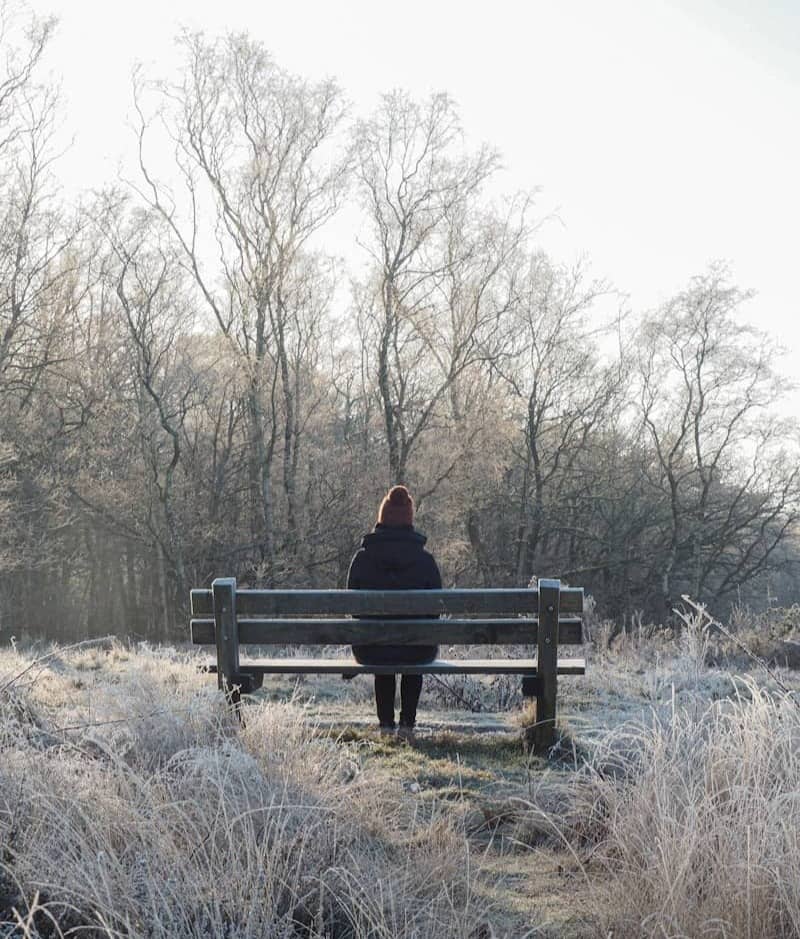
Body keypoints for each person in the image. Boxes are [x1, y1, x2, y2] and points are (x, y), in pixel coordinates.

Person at [347, 485, 441, 736]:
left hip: (371, 649)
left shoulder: (362, 559)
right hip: (417, 650)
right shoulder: (426, 562)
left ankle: (386, 726)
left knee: (382, 651)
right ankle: (407, 726)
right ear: (409, 519)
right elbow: (436, 612)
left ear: (382, 518)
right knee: (415, 649)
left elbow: (352, 609)